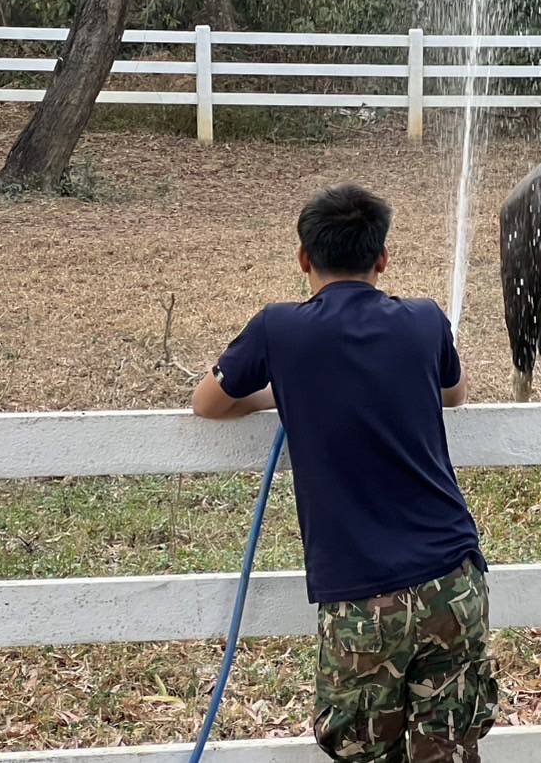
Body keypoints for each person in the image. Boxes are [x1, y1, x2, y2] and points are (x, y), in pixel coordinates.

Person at [192, 183, 497, 763]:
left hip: (362, 596)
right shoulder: (425, 319)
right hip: (453, 581)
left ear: (304, 258)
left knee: (362, 752)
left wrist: (274, 396)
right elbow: (455, 393)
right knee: (451, 751)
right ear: (383, 258)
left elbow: (207, 401)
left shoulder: (279, 329)